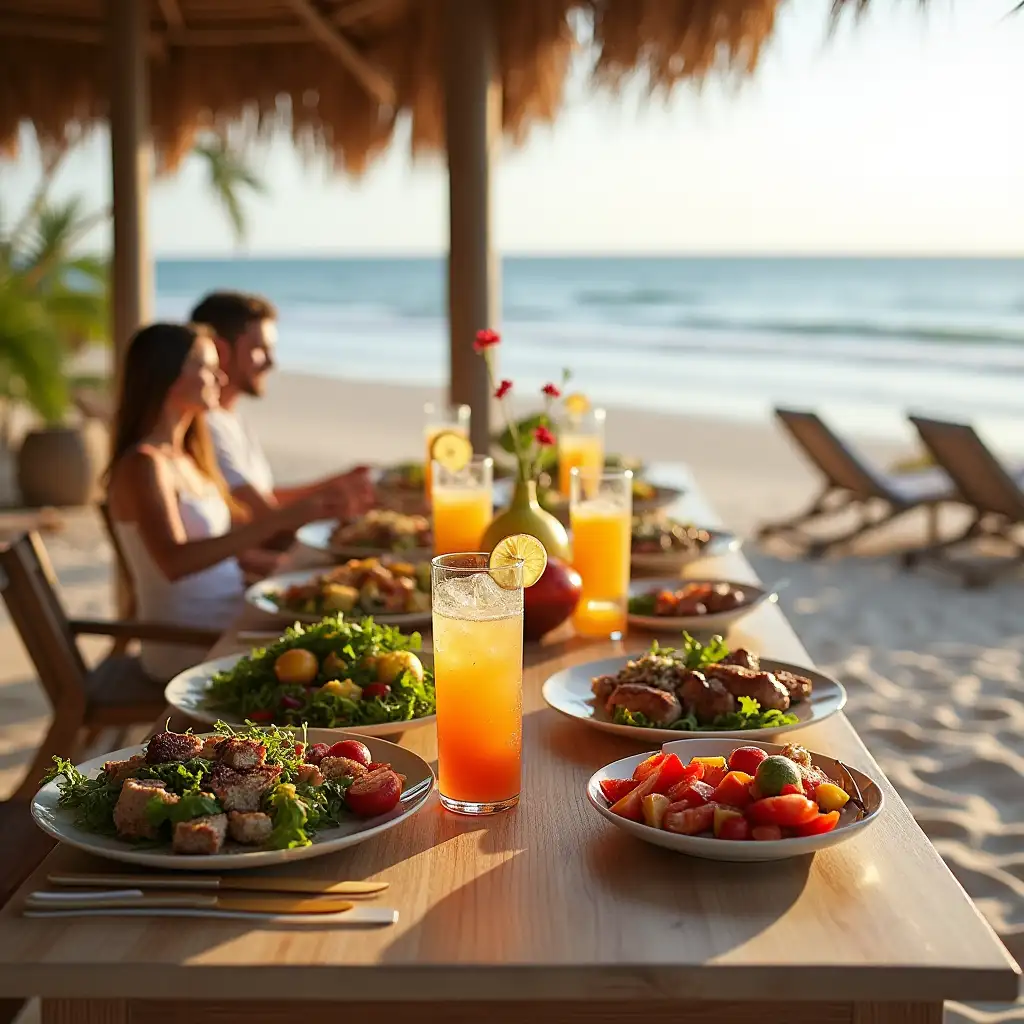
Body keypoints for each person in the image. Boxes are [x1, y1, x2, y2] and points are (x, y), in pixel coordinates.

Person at [106, 322, 338, 681]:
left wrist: (285, 567)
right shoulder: (144, 465)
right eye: (205, 366)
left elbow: (218, 560)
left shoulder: (187, 456)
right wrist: (277, 521)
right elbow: (174, 561)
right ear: (167, 375)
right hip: (189, 645)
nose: (220, 376)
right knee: (332, 653)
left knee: (340, 622)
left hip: (227, 621)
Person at [189, 291, 373, 526]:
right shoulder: (206, 426)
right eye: (259, 349)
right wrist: (329, 502)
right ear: (220, 351)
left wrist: (334, 484)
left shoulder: (230, 418)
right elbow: (258, 517)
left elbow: (265, 498)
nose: (271, 362)